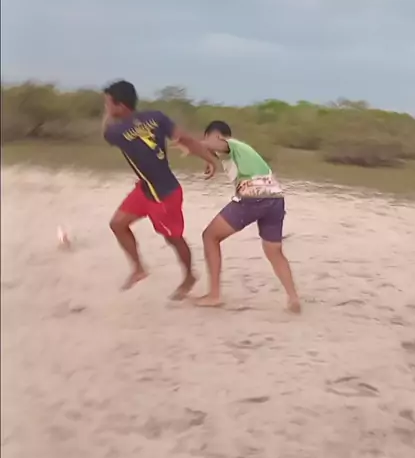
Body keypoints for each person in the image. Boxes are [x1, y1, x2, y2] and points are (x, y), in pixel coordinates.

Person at [102, 80, 217, 295]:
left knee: (173, 239)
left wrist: (109, 114)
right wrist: (209, 159)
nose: (106, 107)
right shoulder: (156, 117)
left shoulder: (115, 132)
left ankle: (189, 276)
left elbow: (106, 129)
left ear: (121, 105)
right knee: (118, 224)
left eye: (108, 103)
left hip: (164, 196)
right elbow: (185, 139)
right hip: (145, 189)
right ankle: (138, 269)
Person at [196, 120, 301, 313]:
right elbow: (215, 149)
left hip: (254, 196)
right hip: (275, 197)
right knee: (274, 251)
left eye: (207, 138)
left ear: (216, 135)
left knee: (210, 236)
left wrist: (191, 143)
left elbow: (216, 144)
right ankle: (293, 298)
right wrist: (209, 160)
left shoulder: (230, 144)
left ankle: (214, 295)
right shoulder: (242, 150)